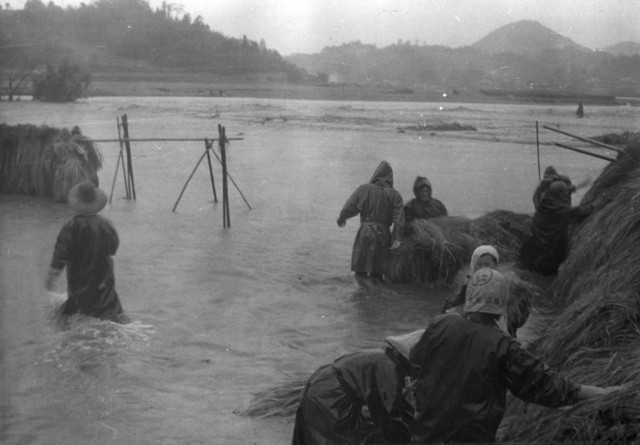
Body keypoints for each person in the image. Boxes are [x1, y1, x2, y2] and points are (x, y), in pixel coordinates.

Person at [408, 268, 619, 443]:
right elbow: (548, 386)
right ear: (502, 304)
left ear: (470, 296)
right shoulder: (503, 346)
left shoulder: (440, 324)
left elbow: (415, 360)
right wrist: (604, 393)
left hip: (424, 437)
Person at [45, 182, 129, 324]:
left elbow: (61, 254)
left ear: (77, 203)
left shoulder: (71, 226)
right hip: (104, 274)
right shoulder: (106, 224)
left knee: (78, 311)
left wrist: (52, 276)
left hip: (80, 275)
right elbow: (114, 248)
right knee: (108, 308)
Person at [291, 349, 412, 445]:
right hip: (329, 399)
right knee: (338, 439)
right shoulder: (388, 366)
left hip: (318, 390)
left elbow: (379, 406)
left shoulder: (380, 356)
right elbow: (387, 412)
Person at [337, 160, 404, 286]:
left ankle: (362, 297)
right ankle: (375, 298)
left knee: (360, 270)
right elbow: (399, 220)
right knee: (378, 273)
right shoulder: (395, 195)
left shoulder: (365, 189)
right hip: (383, 235)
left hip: (365, 233)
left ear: (376, 174)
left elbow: (350, 206)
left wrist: (342, 217)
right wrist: (397, 239)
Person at [520, 179, 592, 275]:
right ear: (561, 195)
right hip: (547, 259)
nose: (566, 196)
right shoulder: (562, 211)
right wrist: (592, 206)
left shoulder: (543, 203)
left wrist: (576, 187)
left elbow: (557, 192)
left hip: (534, 253)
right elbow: (581, 211)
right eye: (565, 194)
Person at [442, 245, 499, 314]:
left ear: (495, 265)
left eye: (487, 265)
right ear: (473, 266)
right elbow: (450, 305)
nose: (483, 268)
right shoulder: (468, 284)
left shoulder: (502, 285)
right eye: (479, 265)